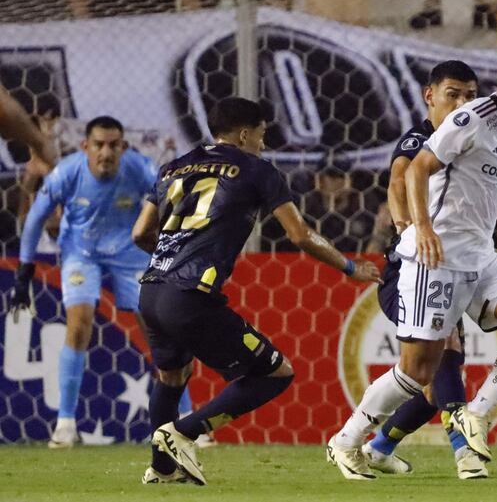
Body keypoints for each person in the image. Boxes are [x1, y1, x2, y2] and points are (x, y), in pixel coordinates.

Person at [328, 41, 497, 480]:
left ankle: (475, 415)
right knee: (418, 371)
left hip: (481, 256)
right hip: (435, 260)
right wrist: (420, 228)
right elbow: (415, 169)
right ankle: (346, 440)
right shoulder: (472, 118)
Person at [131, 97, 380, 485]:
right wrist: (349, 266)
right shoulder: (257, 170)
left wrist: (174, 258)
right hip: (190, 297)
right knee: (276, 373)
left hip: (150, 291)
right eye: (262, 135)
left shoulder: (173, 167)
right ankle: (184, 432)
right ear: (245, 133)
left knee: (172, 376)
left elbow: (140, 232)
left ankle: (161, 469)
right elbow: (299, 234)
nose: (263, 143)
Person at [7, 116, 197, 448]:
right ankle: (65, 425)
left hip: (129, 252)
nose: (106, 152)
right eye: (99, 145)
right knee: (79, 324)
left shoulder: (139, 169)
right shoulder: (67, 172)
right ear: (85, 147)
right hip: (81, 251)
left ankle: (188, 421)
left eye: (113, 145)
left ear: (123, 147)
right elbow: (37, 217)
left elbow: (173, 204)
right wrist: (25, 272)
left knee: (157, 330)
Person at [359, 60, 489, 480]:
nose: (462, 102)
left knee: (432, 377)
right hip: (412, 269)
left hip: (448, 266)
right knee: (443, 357)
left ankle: (378, 447)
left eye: (470, 95)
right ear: (428, 96)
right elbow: (398, 181)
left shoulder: (471, 137)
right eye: (453, 93)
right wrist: (407, 232)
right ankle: (464, 451)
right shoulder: (420, 138)